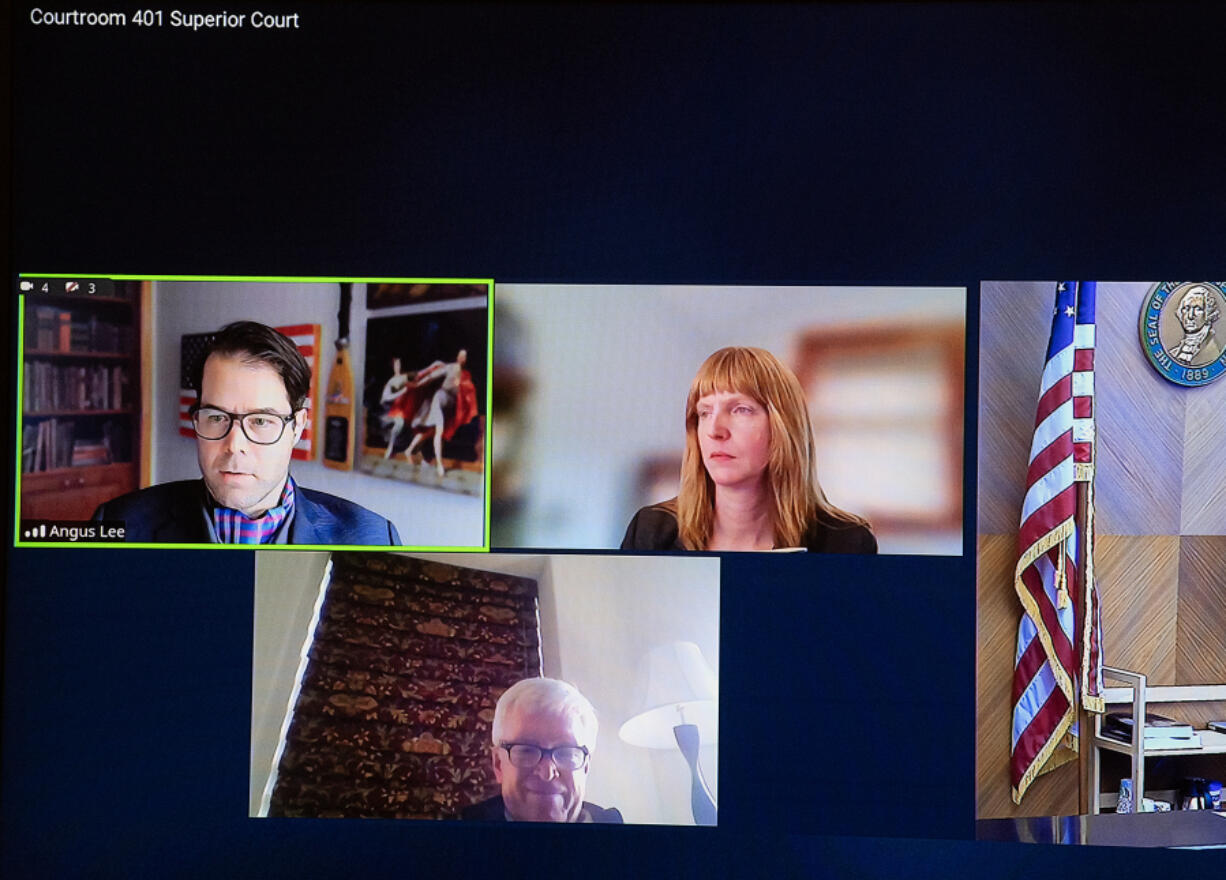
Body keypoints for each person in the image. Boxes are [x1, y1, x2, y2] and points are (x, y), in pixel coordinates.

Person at [92, 321, 401, 545]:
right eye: (216, 416)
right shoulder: (118, 524)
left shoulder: (372, 538)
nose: (234, 445)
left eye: (261, 421)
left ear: (297, 427)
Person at [621, 346, 875, 553]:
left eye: (740, 409)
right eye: (705, 412)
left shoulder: (847, 543)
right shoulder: (651, 531)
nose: (714, 430)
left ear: (783, 426)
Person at [460, 677, 623, 823]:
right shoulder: (458, 844)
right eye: (526, 751)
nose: (547, 773)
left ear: (586, 767)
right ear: (498, 764)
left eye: (566, 753)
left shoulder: (622, 845)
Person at [1166, 283, 1222, 365]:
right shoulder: (1173, 354)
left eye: (1198, 309)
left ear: (1209, 313)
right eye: (1186, 308)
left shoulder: (1213, 355)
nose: (1190, 316)